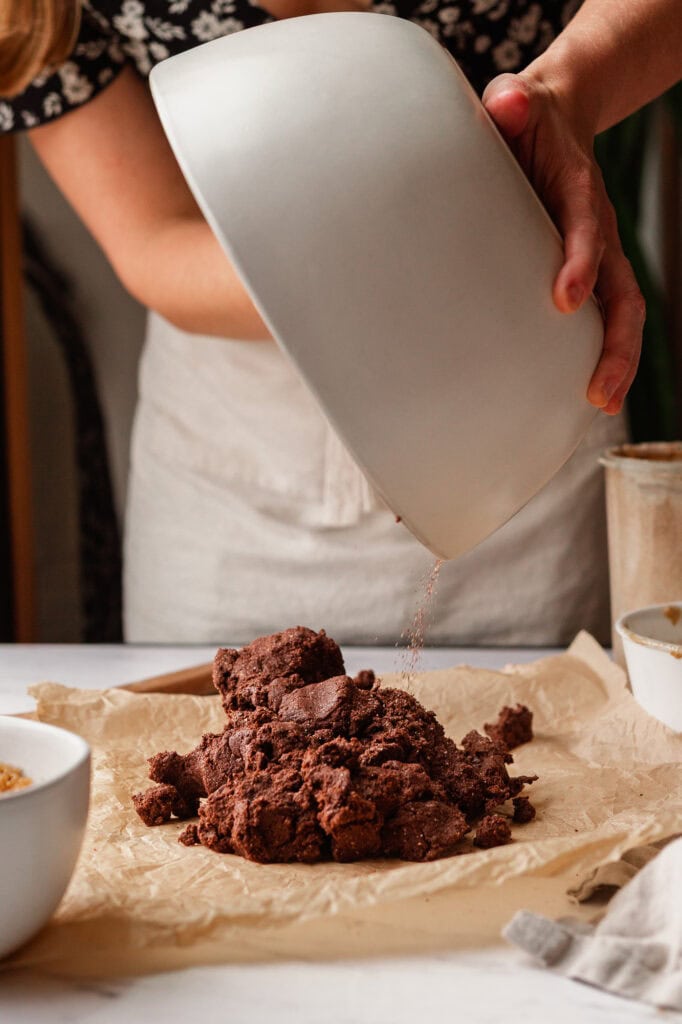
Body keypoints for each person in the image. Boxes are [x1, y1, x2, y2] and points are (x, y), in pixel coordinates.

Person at [0, 0, 679, 645]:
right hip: (233, 468)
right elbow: (155, 235)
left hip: (527, 428)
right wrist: (405, 265)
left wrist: (569, 91)